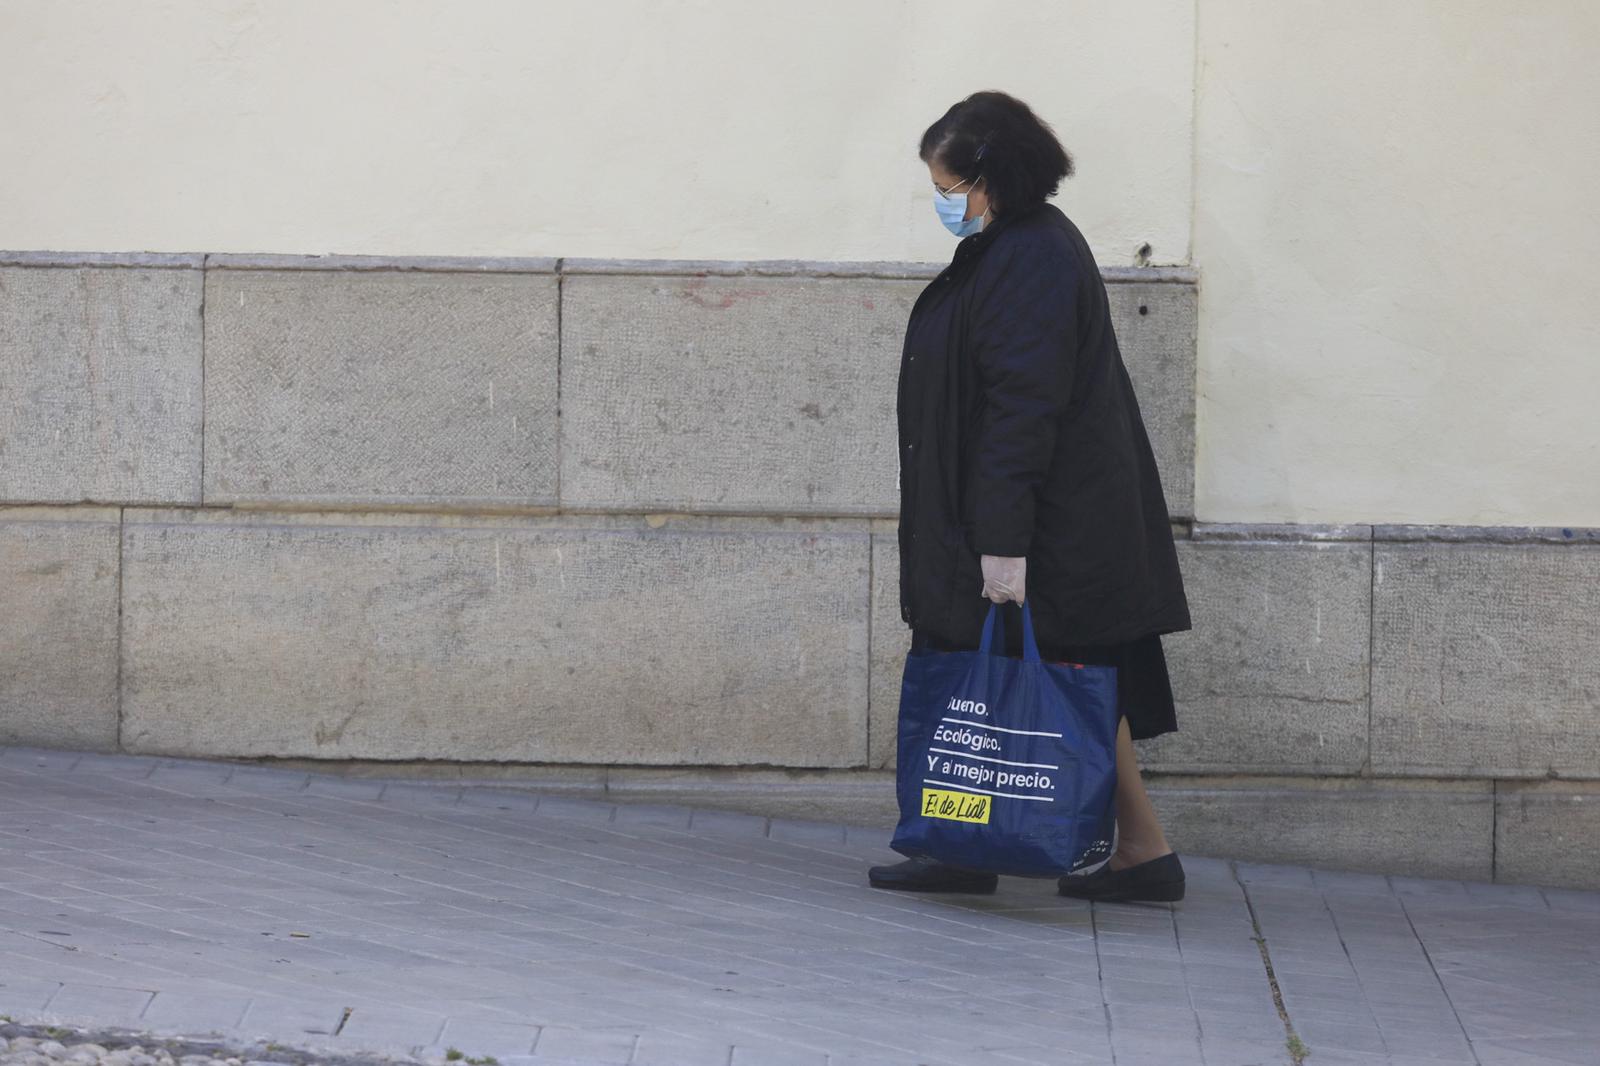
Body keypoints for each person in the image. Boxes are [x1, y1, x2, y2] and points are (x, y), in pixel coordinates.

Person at [868, 90, 1193, 903]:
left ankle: (1076, 850)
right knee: (1072, 680)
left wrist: (1002, 541)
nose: (944, 204)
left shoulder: (1032, 254)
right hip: (1027, 516)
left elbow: (1023, 404)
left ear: (990, 177)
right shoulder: (1017, 245)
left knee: (1063, 680)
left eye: (950, 189)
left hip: (1045, 526)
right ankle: (1127, 854)